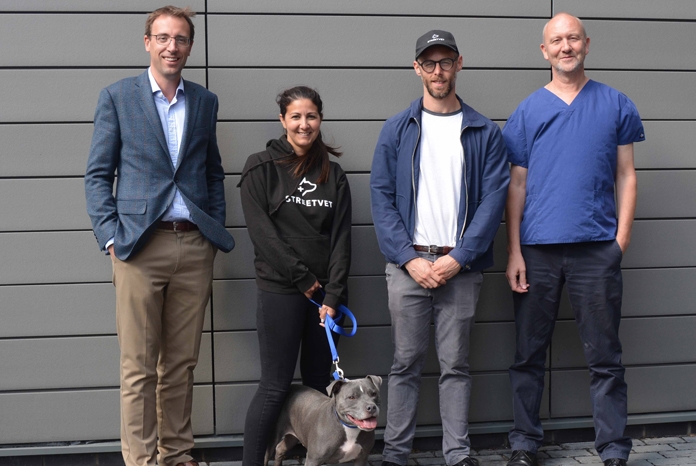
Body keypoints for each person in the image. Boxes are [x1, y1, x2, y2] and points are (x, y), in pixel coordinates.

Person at [84, 6, 234, 466]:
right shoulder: (117, 97)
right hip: (138, 248)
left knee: (182, 366)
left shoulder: (204, 101)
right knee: (138, 370)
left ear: (190, 45)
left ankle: (177, 453)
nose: (173, 46)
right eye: (164, 38)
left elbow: (212, 172)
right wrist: (110, 235)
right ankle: (142, 460)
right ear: (147, 42)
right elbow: (97, 175)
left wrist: (212, 230)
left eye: (182, 39)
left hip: (193, 245)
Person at [502, 13, 644, 466]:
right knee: (528, 355)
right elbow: (516, 185)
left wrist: (618, 241)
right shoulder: (527, 110)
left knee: (605, 357)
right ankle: (524, 445)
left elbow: (627, 175)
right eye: (556, 40)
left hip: (596, 252)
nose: (565, 46)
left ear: (586, 43)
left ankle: (614, 449)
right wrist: (514, 252)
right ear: (544, 51)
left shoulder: (616, 104)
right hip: (538, 252)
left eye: (573, 38)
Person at [370, 30, 510, 466]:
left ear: (458, 64)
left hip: (460, 268)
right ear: (417, 68)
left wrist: (458, 258)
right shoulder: (397, 128)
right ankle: (395, 454)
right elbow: (381, 197)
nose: (437, 71)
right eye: (428, 63)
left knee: (455, 366)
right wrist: (410, 259)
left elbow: (493, 201)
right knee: (404, 364)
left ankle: (457, 454)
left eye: (445, 61)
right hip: (407, 265)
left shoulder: (484, 131)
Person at [239, 86, 352, 466]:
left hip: (326, 300)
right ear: (283, 120)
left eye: (312, 116)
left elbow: (341, 240)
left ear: (320, 119)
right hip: (281, 292)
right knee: (274, 387)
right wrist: (303, 279)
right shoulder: (260, 168)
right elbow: (263, 235)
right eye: (296, 117)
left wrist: (333, 297)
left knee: (322, 385)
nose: (304, 124)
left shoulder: (333, 175)